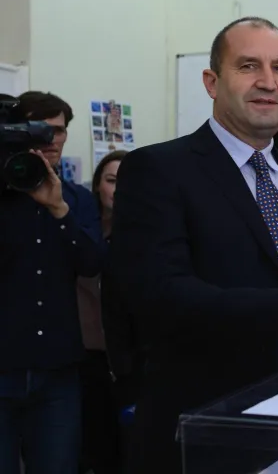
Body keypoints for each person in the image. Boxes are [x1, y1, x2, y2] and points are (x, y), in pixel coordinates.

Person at [108, 16, 278, 474]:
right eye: (248, 66)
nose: (267, 82)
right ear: (212, 82)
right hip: (208, 433)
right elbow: (159, 298)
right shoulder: (158, 171)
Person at [0, 91, 103, 474]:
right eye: (42, 131)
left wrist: (59, 210)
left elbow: (92, 263)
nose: (52, 141)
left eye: (59, 131)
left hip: (58, 372)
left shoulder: (76, 200)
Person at [77, 149, 128, 474]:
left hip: (125, 358)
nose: (118, 189)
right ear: (98, 185)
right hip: (84, 356)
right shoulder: (80, 231)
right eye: (111, 180)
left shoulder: (140, 234)